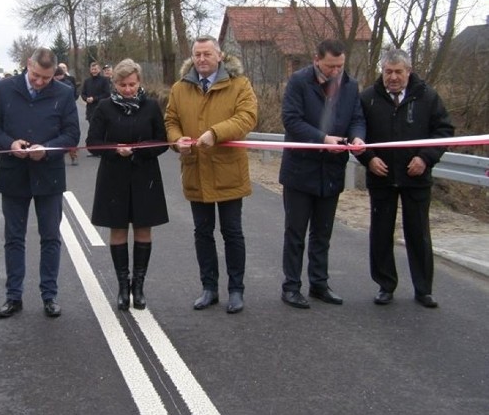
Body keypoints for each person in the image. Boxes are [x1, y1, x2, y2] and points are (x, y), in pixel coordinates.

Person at [0, 47, 80, 318]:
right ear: (28, 64)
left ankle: (49, 295)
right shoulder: (4, 89)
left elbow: (72, 133)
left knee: (50, 237)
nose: (39, 82)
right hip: (14, 173)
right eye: (36, 75)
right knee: (14, 238)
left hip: (48, 174)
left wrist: (47, 148)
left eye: (46, 79)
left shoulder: (63, 93)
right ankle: (13, 296)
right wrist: (9, 143)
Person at [164, 36, 258, 314]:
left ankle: (236, 290)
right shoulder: (180, 89)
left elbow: (247, 117)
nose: (202, 59)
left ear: (219, 56)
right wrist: (177, 139)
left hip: (228, 170)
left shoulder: (239, 84)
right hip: (195, 169)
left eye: (207, 54)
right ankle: (209, 288)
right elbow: (171, 120)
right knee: (202, 232)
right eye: (197, 55)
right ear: (191, 58)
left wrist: (215, 133)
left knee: (232, 232)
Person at [357, 48, 454, 308]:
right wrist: (368, 158)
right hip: (382, 177)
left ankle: (423, 289)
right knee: (380, 232)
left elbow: (444, 131)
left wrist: (425, 158)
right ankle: (385, 285)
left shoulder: (427, 96)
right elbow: (356, 134)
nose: (393, 77)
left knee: (418, 233)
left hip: (416, 177)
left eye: (399, 72)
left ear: (408, 72)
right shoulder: (368, 98)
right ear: (382, 72)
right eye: (388, 72)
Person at [279, 39, 366, 309]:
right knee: (296, 232)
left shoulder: (350, 86)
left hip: (331, 171)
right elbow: (291, 120)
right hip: (300, 170)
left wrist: (358, 139)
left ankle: (319, 283)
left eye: (340, 66)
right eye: (330, 66)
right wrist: (322, 139)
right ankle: (291, 287)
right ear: (317, 59)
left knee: (322, 232)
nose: (336, 71)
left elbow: (357, 118)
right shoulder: (299, 82)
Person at [87, 59, 168, 310]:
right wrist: (114, 151)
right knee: (119, 230)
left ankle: (139, 287)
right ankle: (123, 287)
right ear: (115, 84)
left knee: (144, 229)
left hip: (146, 176)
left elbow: (162, 142)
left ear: (139, 82)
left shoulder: (152, 106)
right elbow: (93, 143)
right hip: (114, 176)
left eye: (132, 84)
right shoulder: (104, 107)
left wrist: (142, 151)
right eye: (123, 85)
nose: (128, 89)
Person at [55, 66, 80, 166]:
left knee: (69, 134)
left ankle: (73, 156)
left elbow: (74, 95)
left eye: (58, 76)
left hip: (67, 111)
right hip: (56, 111)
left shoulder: (68, 84)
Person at [81, 61, 112, 125]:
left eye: (95, 69)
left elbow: (107, 94)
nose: (94, 71)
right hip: (90, 110)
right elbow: (83, 94)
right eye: (92, 69)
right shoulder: (87, 81)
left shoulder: (104, 80)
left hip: (101, 109)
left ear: (99, 70)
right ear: (90, 70)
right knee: (92, 130)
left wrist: (94, 99)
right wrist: (86, 99)